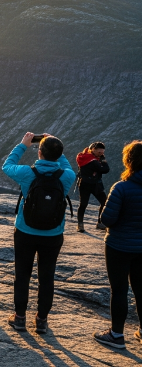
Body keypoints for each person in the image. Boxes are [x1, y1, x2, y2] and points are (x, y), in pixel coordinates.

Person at [3, 133, 75, 334]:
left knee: (22, 274)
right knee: (47, 276)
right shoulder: (67, 176)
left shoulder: (27, 173)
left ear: (39, 152)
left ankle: (19, 318)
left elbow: (7, 165)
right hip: (53, 234)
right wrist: (55, 147)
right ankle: (41, 320)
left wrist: (23, 145)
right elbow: (66, 165)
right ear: (59, 155)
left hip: (25, 231)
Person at [92, 141, 142, 349]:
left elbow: (107, 219)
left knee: (119, 290)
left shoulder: (121, 188)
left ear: (128, 161)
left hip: (118, 246)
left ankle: (116, 335)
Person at [76, 142, 110, 232]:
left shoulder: (84, 157)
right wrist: (103, 160)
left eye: (102, 152)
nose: (101, 154)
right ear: (93, 150)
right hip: (94, 184)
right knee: (103, 202)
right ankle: (100, 222)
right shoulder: (93, 161)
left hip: (85, 183)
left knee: (83, 204)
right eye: (100, 152)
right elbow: (105, 169)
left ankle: (80, 224)